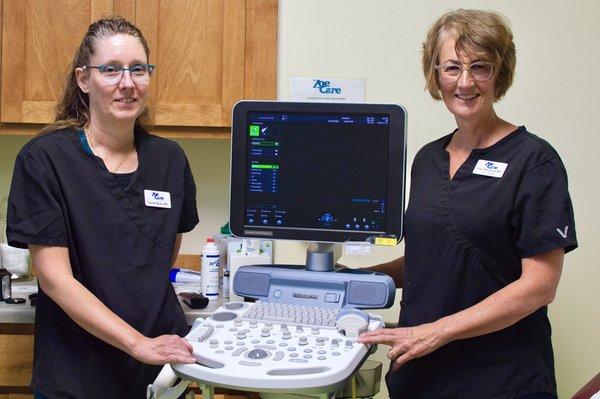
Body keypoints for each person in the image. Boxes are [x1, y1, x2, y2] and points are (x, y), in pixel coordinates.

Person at [357, 9, 577, 399]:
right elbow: (438, 256)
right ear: (435, 74)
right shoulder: (428, 159)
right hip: (421, 374)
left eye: (481, 67)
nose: (466, 81)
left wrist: (436, 332)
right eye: (452, 67)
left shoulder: (534, 161)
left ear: (500, 74)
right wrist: (359, 279)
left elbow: (539, 285)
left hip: (500, 379)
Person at [6, 17, 198, 398]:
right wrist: (136, 342)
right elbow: (54, 279)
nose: (127, 83)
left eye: (138, 69)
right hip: (78, 374)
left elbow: (163, 254)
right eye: (110, 70)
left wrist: (149, 347)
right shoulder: (44, 161)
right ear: (83, 79)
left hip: (159, 371)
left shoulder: (169, 160)